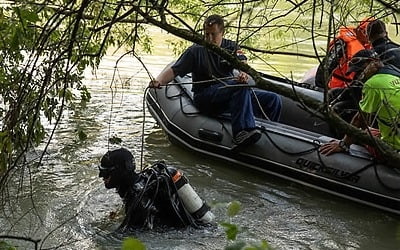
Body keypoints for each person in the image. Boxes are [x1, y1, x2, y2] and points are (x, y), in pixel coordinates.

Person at [148, 14, 282, 146]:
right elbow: (174, 70)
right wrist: (158, 81)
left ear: (222, 32)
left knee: (273, 99)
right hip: (205, 97)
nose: (209, 39)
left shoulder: (231, 47)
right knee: (238, 86)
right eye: (207, 34)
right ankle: (240, 133)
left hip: (228, 94)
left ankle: (271, 137)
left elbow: (243, 63)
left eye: (213, 34)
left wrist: (243, 73)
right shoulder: (196, 51)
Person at [98, 148, 214, 230]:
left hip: (191, 235)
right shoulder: (143, 182)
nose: (101, 176)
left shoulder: (139, 201)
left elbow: (129, 236)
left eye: (105, 173)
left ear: (119, 172)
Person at [319, 49, 400, 157]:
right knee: (372, 130)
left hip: (393, 150)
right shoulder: (396, 73)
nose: (360, 75)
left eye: (360, 71)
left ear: (371, 63)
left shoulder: (373, 84)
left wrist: (344, 144)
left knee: (365, 133)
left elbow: (360, 120)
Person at [315, 17, 373, 89]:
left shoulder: (371, 47)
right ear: (360, 30)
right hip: (335, 87)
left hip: (352, 88)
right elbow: (326, 66)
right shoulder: (343, 44)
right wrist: (320, 87)